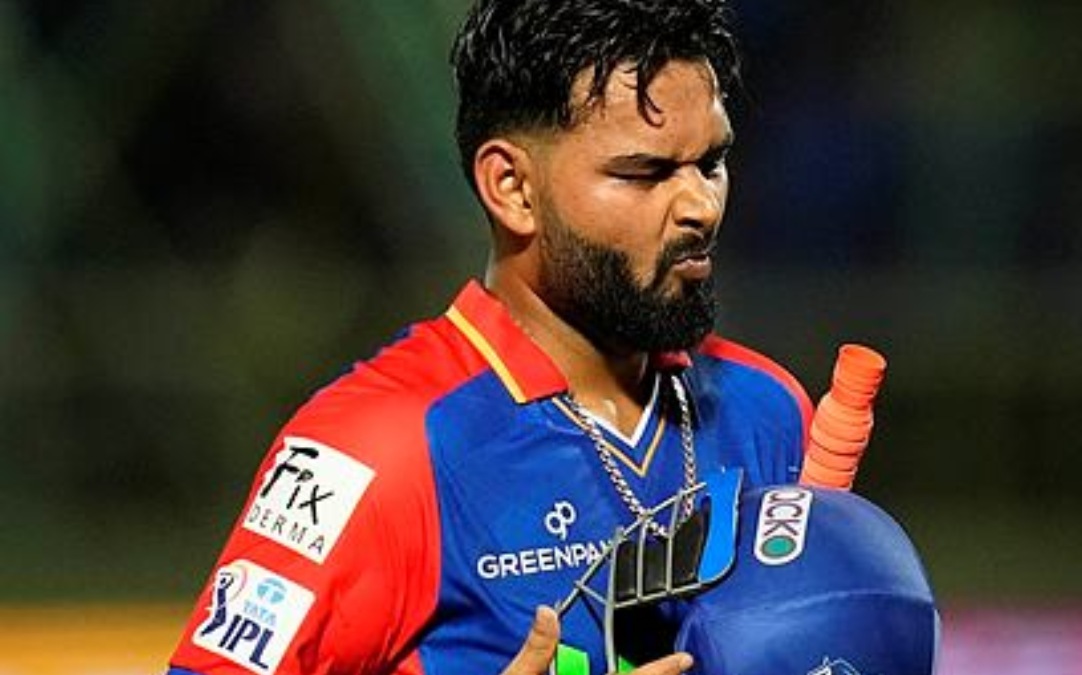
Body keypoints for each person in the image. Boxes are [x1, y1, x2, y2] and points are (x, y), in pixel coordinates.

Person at [166, 0, 815, 673]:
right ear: (512, 188)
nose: (701, 206)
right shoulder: (377, 446)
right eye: (644, 173)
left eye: (711, 162)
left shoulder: (768, 408)